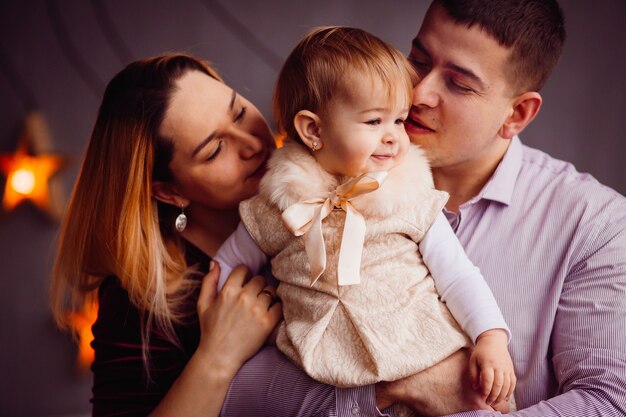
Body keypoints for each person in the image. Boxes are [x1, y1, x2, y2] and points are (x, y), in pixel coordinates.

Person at [214, 26, 514, 407]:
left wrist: (490, 337)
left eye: (399, 120)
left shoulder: (409, 195)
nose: (393, 136)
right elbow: (228, 264)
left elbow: (457, 274)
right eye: (374, 122)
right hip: (330, 379)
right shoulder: (279, 204)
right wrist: (216, 321)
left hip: (424, 350)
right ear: (313, 130)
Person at [370, 0, 626, 415]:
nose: (418, 92)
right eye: (417, 60)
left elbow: (611, 403)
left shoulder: (596, 227)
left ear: (517, 114)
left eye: (459, 83)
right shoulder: (337, 175)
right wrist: (397, 387)